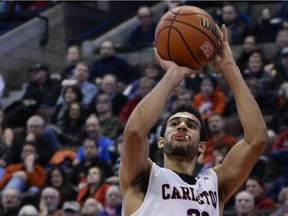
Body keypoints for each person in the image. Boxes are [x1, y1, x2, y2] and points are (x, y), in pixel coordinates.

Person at [119, 25, 268, 215]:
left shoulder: (215, 185)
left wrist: (229, 67)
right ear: (161, 141)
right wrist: (174, 75)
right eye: (174, 123)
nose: (182, 125)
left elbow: (257, 139)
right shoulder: (144, 177)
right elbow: (134, 131)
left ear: (202, 146)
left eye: (191, 126)